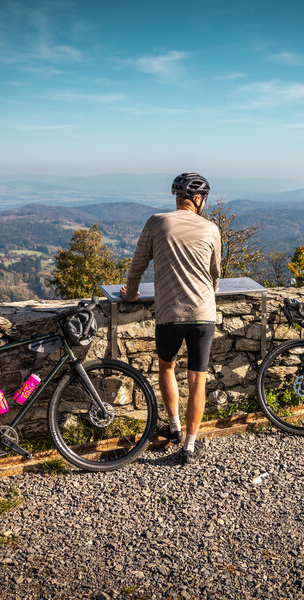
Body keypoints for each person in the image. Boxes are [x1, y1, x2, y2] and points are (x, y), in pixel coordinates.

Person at [119, 172, 221, 464]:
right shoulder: (211, 229)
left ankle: (174, 427)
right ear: (199, 200)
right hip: (204, 314)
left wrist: (130, 295)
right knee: (197, 380)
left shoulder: (156, 222)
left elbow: (137, 266)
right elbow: (215, 274)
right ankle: (189, 446)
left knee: (166, 368)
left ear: (178, 198)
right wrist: (209, 293)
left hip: (169, 314)